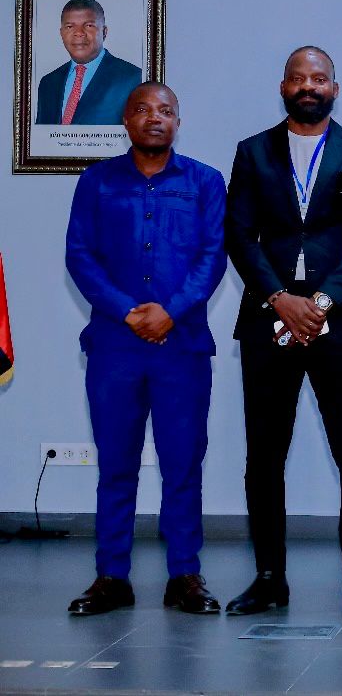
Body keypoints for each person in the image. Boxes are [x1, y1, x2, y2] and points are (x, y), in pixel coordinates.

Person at [224, 46, 342, 617]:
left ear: (334, 89)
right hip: (268, 317)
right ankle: (269, 577)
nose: (308, 86)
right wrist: (280, 299)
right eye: (298, 78)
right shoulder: (253, 151)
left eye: (319, 78)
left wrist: (317, 304)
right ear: (283, 86)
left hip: (338, 321)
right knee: (264, 456)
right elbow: (239, 236)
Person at [64, 82, 226, 615]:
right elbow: (80, 255)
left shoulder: (204, 182)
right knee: (116, 465)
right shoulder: (96, 181)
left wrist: (170, 312)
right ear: (126, 120)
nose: (154, 118)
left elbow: (212, 256)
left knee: (183, 464)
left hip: (182, 347)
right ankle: (112, 576)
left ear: (178, 121)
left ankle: (185, 575)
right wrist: (127, 311)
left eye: (165, 111)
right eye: (143, 109)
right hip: (115, 346)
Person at [36, 0, 143, 126]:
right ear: (61, 33)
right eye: (70, 26)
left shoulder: (133, 79)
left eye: (88, 25)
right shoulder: (48, 83)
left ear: (104, 32)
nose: (79, 33)